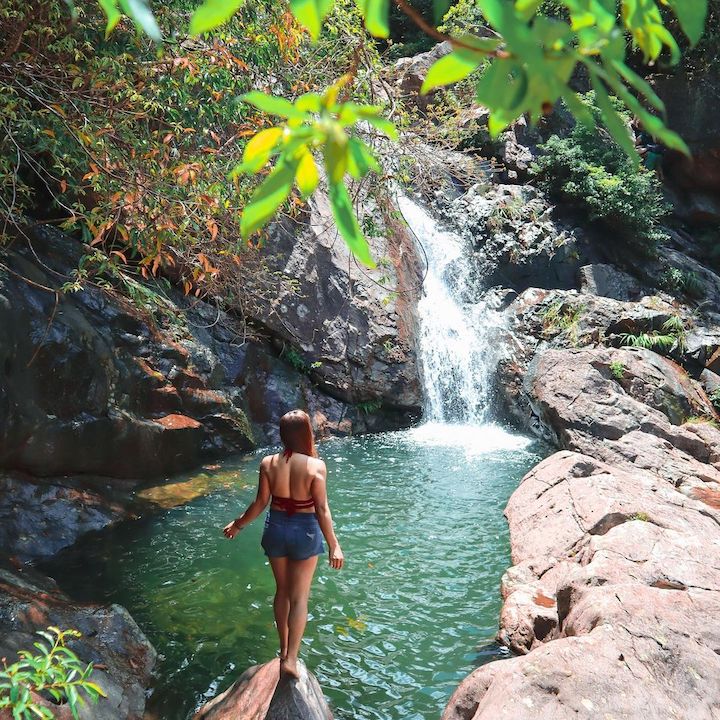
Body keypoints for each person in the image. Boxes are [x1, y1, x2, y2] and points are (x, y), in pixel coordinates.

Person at [223, 409, 344, 680]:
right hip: (305, 531)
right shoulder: (316, 466)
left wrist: (238, 525)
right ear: (306, 434)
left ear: (283, 434)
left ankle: (282, 650)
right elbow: (322, 509)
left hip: (275, 529)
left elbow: (259, 503)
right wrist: (334, 545)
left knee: (282, 591)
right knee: (299, 597)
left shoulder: (268, 463)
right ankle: (291, 659)